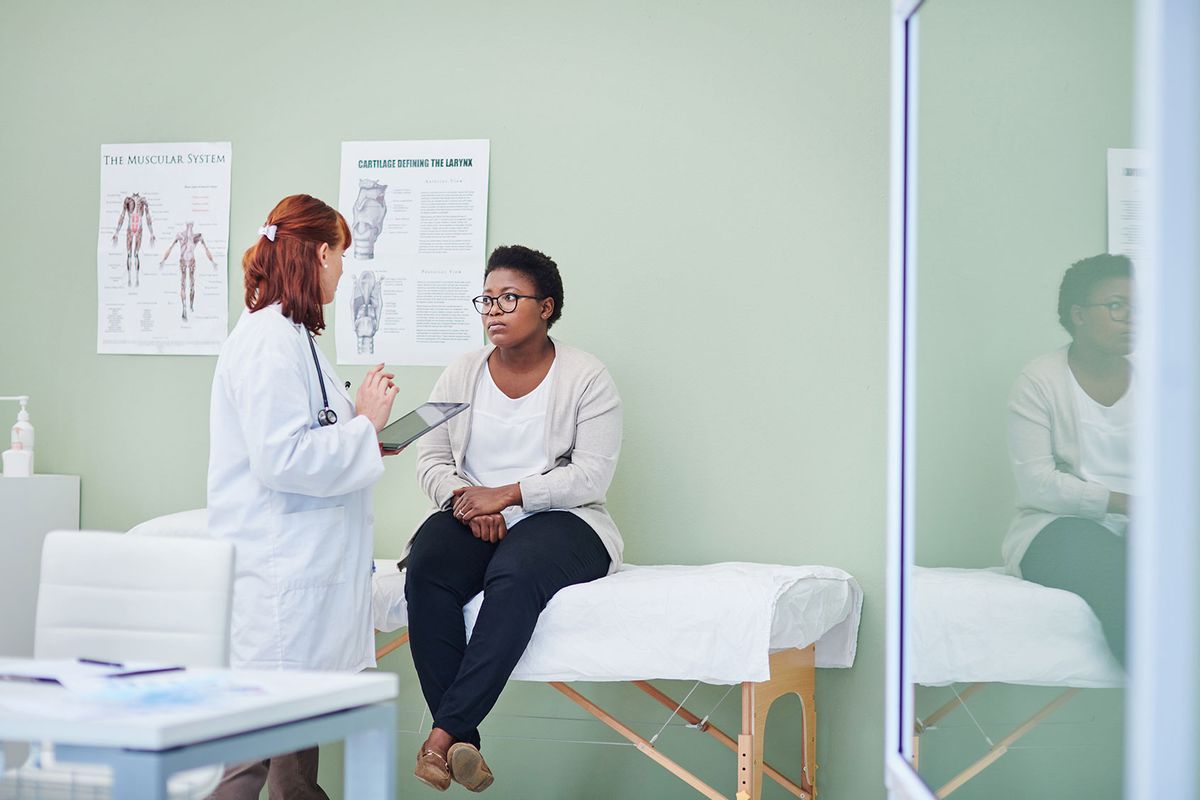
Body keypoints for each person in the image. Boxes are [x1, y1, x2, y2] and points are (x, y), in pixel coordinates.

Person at [404, 245, 622, 792]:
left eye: (509, 298)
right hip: (471, 508)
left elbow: (591, 477)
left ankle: (441, 737)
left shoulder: (589, 377)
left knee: (515, 574)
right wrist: (466, 499)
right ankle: (465, 744)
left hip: (565, 519)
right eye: (487, 298)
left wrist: (507, 495)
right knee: (426, 566)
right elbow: (428, 457)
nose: (494, 309)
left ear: (546, 307)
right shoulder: (458, 372)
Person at [206, 194, 400, 799]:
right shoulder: (268, 341)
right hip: (280, 585)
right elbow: (280, 458)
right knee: (256, 764)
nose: (343, 271)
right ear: (320, 253)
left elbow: (307, 440)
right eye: (341, 255)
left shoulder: (292, 337)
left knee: (289, 766)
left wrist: (363, 438)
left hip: (301, 581)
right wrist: (365, 428)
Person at [1003, 253, 1133, 665]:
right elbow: (1037, 484)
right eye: (1117, 306)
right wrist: (1125, 503)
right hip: (1056, 528)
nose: (1133, 318)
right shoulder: (1040, 380)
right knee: (1124, 579)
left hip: (1144, 527)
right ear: (1078, 314)